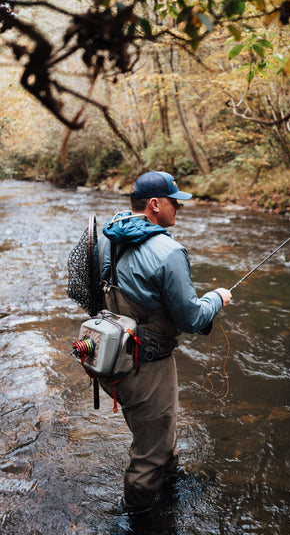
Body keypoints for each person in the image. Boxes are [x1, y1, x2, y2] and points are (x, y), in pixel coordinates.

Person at [97, 170, 231, 514]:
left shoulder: (106, 238)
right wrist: (217, 297)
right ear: (155, 205)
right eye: (175, 202)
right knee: (149, 453)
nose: (178, 209)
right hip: (147, 364)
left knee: (154, 429)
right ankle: (138, 517)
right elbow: (191, 319)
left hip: (109, 357)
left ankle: (170, 479)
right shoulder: (169, 251)